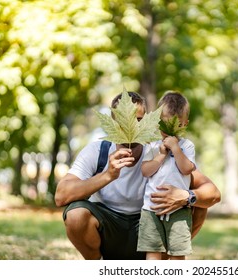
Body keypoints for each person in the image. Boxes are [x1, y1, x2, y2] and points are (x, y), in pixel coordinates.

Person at [54, 91, 221, 260]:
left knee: (199, 205)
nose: (131, 127)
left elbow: (213, 193)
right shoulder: (97, 151)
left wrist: (187, 196)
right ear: (113, 123)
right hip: (109, 227)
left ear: (149, 121)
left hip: (149, 224)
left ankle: (163, 258)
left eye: (139, 120)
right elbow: (61, 196)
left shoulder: (160, 150)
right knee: (76, 215)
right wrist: (107, 175)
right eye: (124, 121)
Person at [137, 91, 196, 260]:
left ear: (184, 124)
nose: (167, 131)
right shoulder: (152, 145)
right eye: (163, 125)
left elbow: (186, 169)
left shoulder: (187, 146)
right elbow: (145, 171)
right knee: (153, 252)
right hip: (151, 208)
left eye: (174, 125)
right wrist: (161, 155)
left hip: (179, 210)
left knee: (177, 253)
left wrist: (176, 148)